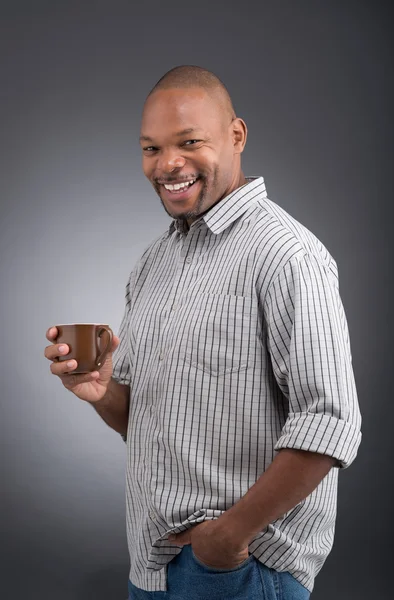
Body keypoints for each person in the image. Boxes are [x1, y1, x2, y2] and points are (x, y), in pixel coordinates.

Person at [44, 65, 362, 600]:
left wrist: (227, 539)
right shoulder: (152, 264)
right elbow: (157, 423)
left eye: (189, 142)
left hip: (239, 571)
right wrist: (103, 393)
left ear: (236, 136)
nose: (168, 164)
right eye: (151, 149)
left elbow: (329, 422)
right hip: (152, 567)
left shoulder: (286, 255)